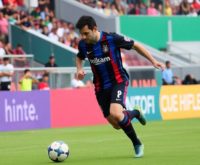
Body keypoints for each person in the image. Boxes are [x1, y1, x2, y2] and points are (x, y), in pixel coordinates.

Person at [75, 16, 165, 158]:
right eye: (81, 34)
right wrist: (79, 69)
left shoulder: (112, 39)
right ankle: (135, 113)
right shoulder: (83, 44)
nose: (83, 37)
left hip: (118, 81)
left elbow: (136, 45)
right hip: (100, 87)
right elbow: (79, 56)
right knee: (116, 124)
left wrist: (153, 61)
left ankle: (137, 143)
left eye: (86, 33)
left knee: (117, 113)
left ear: (94, 28)